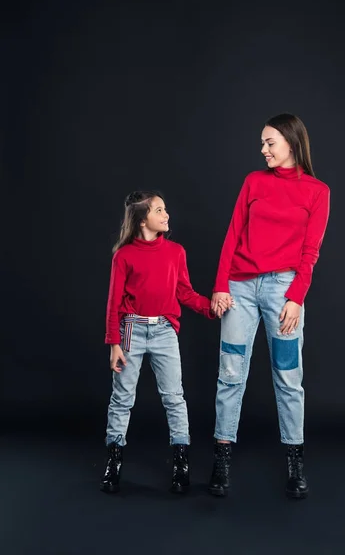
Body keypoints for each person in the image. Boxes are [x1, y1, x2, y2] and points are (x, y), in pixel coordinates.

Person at [208, 113, 330, 498]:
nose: (263, 150)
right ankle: (222, 458)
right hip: (239, 289)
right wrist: (219, 286)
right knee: (230, 373)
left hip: (283, 290)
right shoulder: (253, 182)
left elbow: (310, 252)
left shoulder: (317, 191)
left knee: (288, 377)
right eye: (262, 143)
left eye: (269, 143)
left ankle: (295, 462)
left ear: (291, 144)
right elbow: (232, 234)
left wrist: (296, 298)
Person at [100, 190, 225, 494]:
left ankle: (181, 462)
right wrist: (114, 343)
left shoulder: (176, 252)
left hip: (164, 331)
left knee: (174, 397)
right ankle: (113, 462)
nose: (166, 215)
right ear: (143, 219)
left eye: (165, 209)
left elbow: (184, 292)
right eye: (159, 210)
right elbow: (113, 303)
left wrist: (210, 306)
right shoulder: (124, 256)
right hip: (131, 329)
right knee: (122, 399)